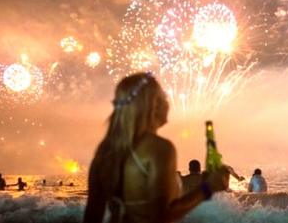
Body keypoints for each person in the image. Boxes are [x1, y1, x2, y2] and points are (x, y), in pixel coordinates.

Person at [83, 73, 230, 223]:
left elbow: (92, 215)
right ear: (154, 105)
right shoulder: (160, 148)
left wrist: (204, 181)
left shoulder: (106, 151)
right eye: (164, 97)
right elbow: (162, 216)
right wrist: (208, 188)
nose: (168, 102)